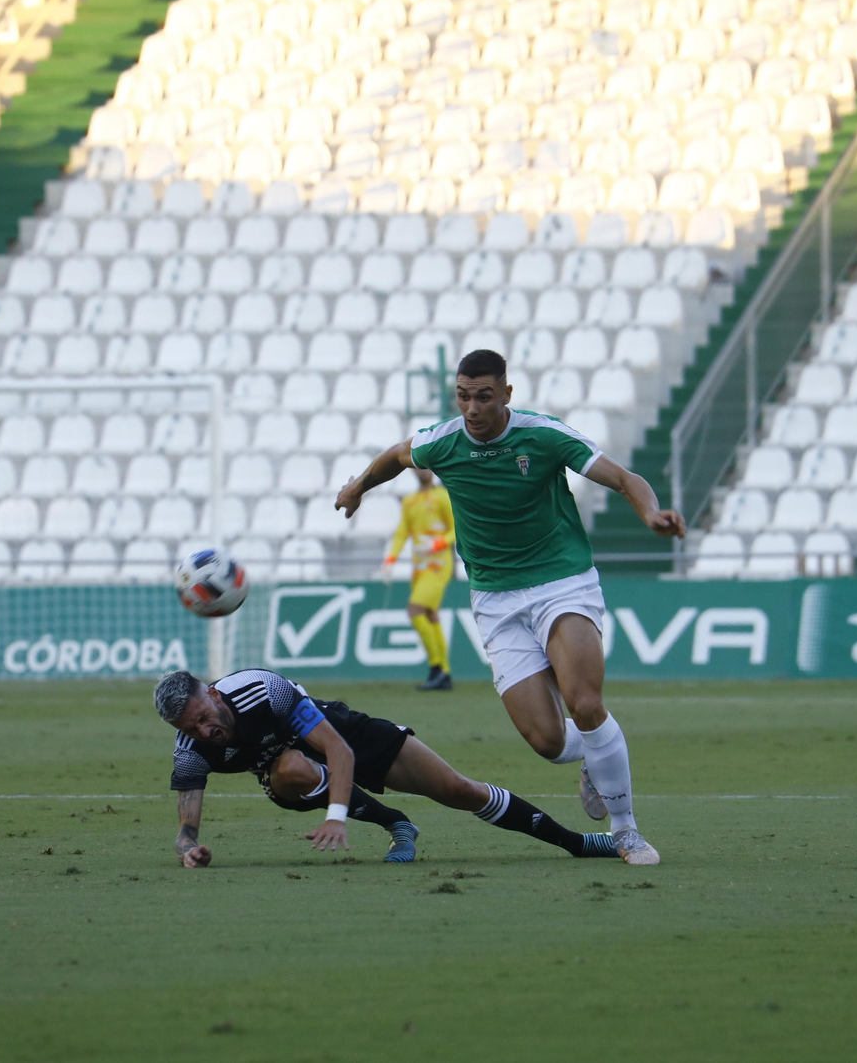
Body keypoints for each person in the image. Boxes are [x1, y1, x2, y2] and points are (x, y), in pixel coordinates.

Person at [334, 349, 686, 866]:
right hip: (495, 599)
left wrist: (651, 514)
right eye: (463, 396)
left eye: (483, 396)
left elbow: (624, 479)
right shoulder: (443, 442)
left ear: (506, 394)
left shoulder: (542, 435)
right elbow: (396, 455)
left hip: (561, 581)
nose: (472, 408)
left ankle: (625, 829)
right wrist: (359, 485)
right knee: (546, 741)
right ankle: (595, 753)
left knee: (585, 704)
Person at [153, 668, 619, 867]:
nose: (201, 730)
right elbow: (185, 827)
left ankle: (576, 843)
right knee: (292, 769)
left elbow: (339, 751)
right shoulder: (190, 749)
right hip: (291, 770)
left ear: (213, 695)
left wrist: (335, 817)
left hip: (343, 735)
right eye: (188, 727)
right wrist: (188, 848)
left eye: (202, 717)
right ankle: (397, 824)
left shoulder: (262, 691)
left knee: (458, 789)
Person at [383, 468, 456, 691]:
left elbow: (457, 528)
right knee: (431, 615)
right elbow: (402, 532)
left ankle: (436, 666)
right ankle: (444, 673)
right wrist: (391, 559)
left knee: (415, 610)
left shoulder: (443, 496)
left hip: (438, 565)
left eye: (424, 466)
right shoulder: (410, 500)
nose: (421, 471)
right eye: (417, 466)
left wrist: (438, 543)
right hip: (419, 568)